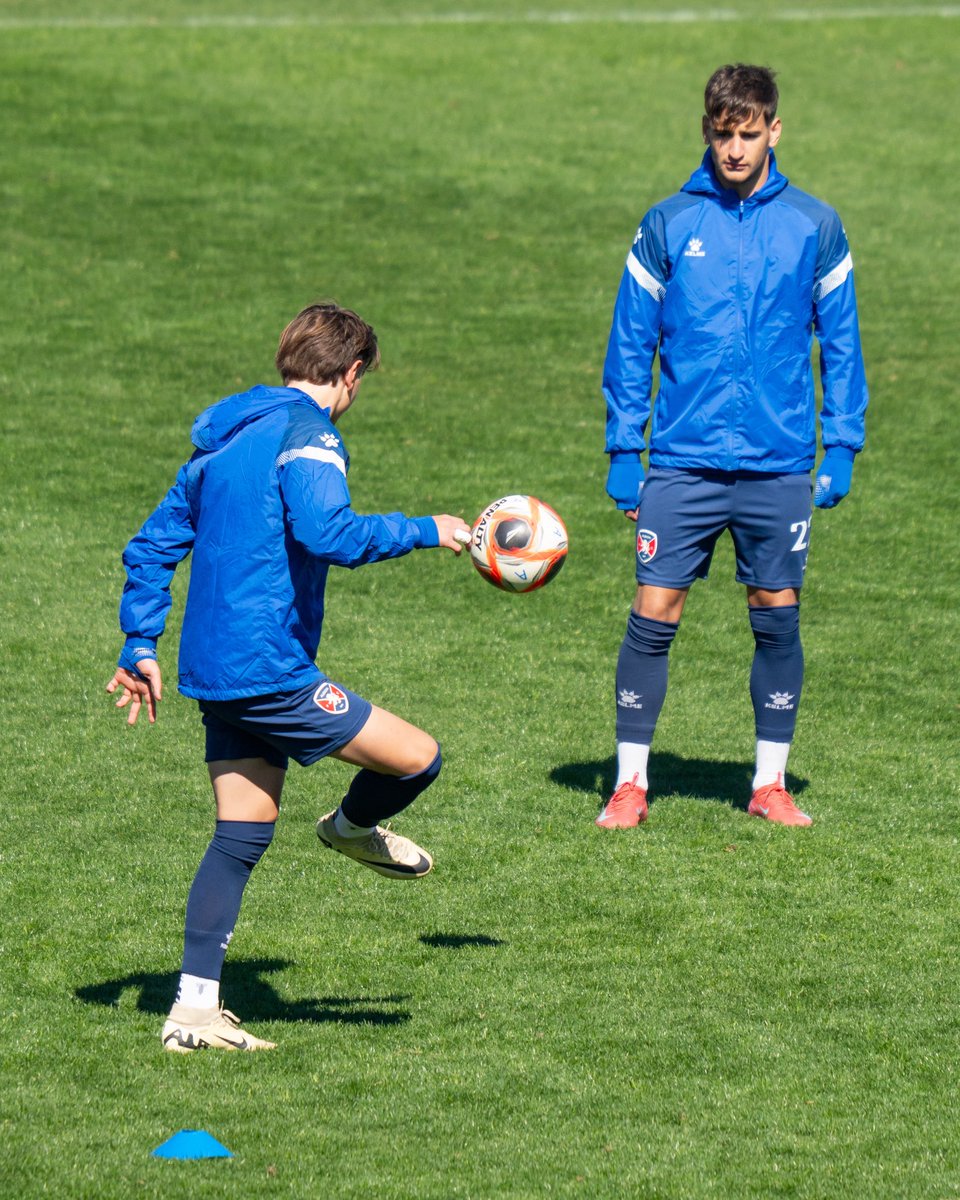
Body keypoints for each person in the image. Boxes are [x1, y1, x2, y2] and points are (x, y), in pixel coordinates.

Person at [106, 302, 471, 1051]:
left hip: (211, 669)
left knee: (241, 832)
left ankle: (193, 1012)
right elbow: (327, 532)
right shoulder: (312, 436)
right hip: (268, 668)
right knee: (417, 758)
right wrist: (427, 530)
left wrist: (140, 642)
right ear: (351, 372)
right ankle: (351, 827)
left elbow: (149, 548)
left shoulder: (222, 442)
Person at [597, 64, 868, 830]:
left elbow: (840, 346)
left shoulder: (814, 226)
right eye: (724, 134)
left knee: (775, 613)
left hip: (778, 463)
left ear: (774, 131)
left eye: (750, 134)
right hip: (682, 460)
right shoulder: (669, 223)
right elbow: (630, 343)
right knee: (656, 609)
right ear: (707, 130)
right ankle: (629, 784)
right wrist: (627, 450)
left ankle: (768, 783)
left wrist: (842, 444)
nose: (736, 149)